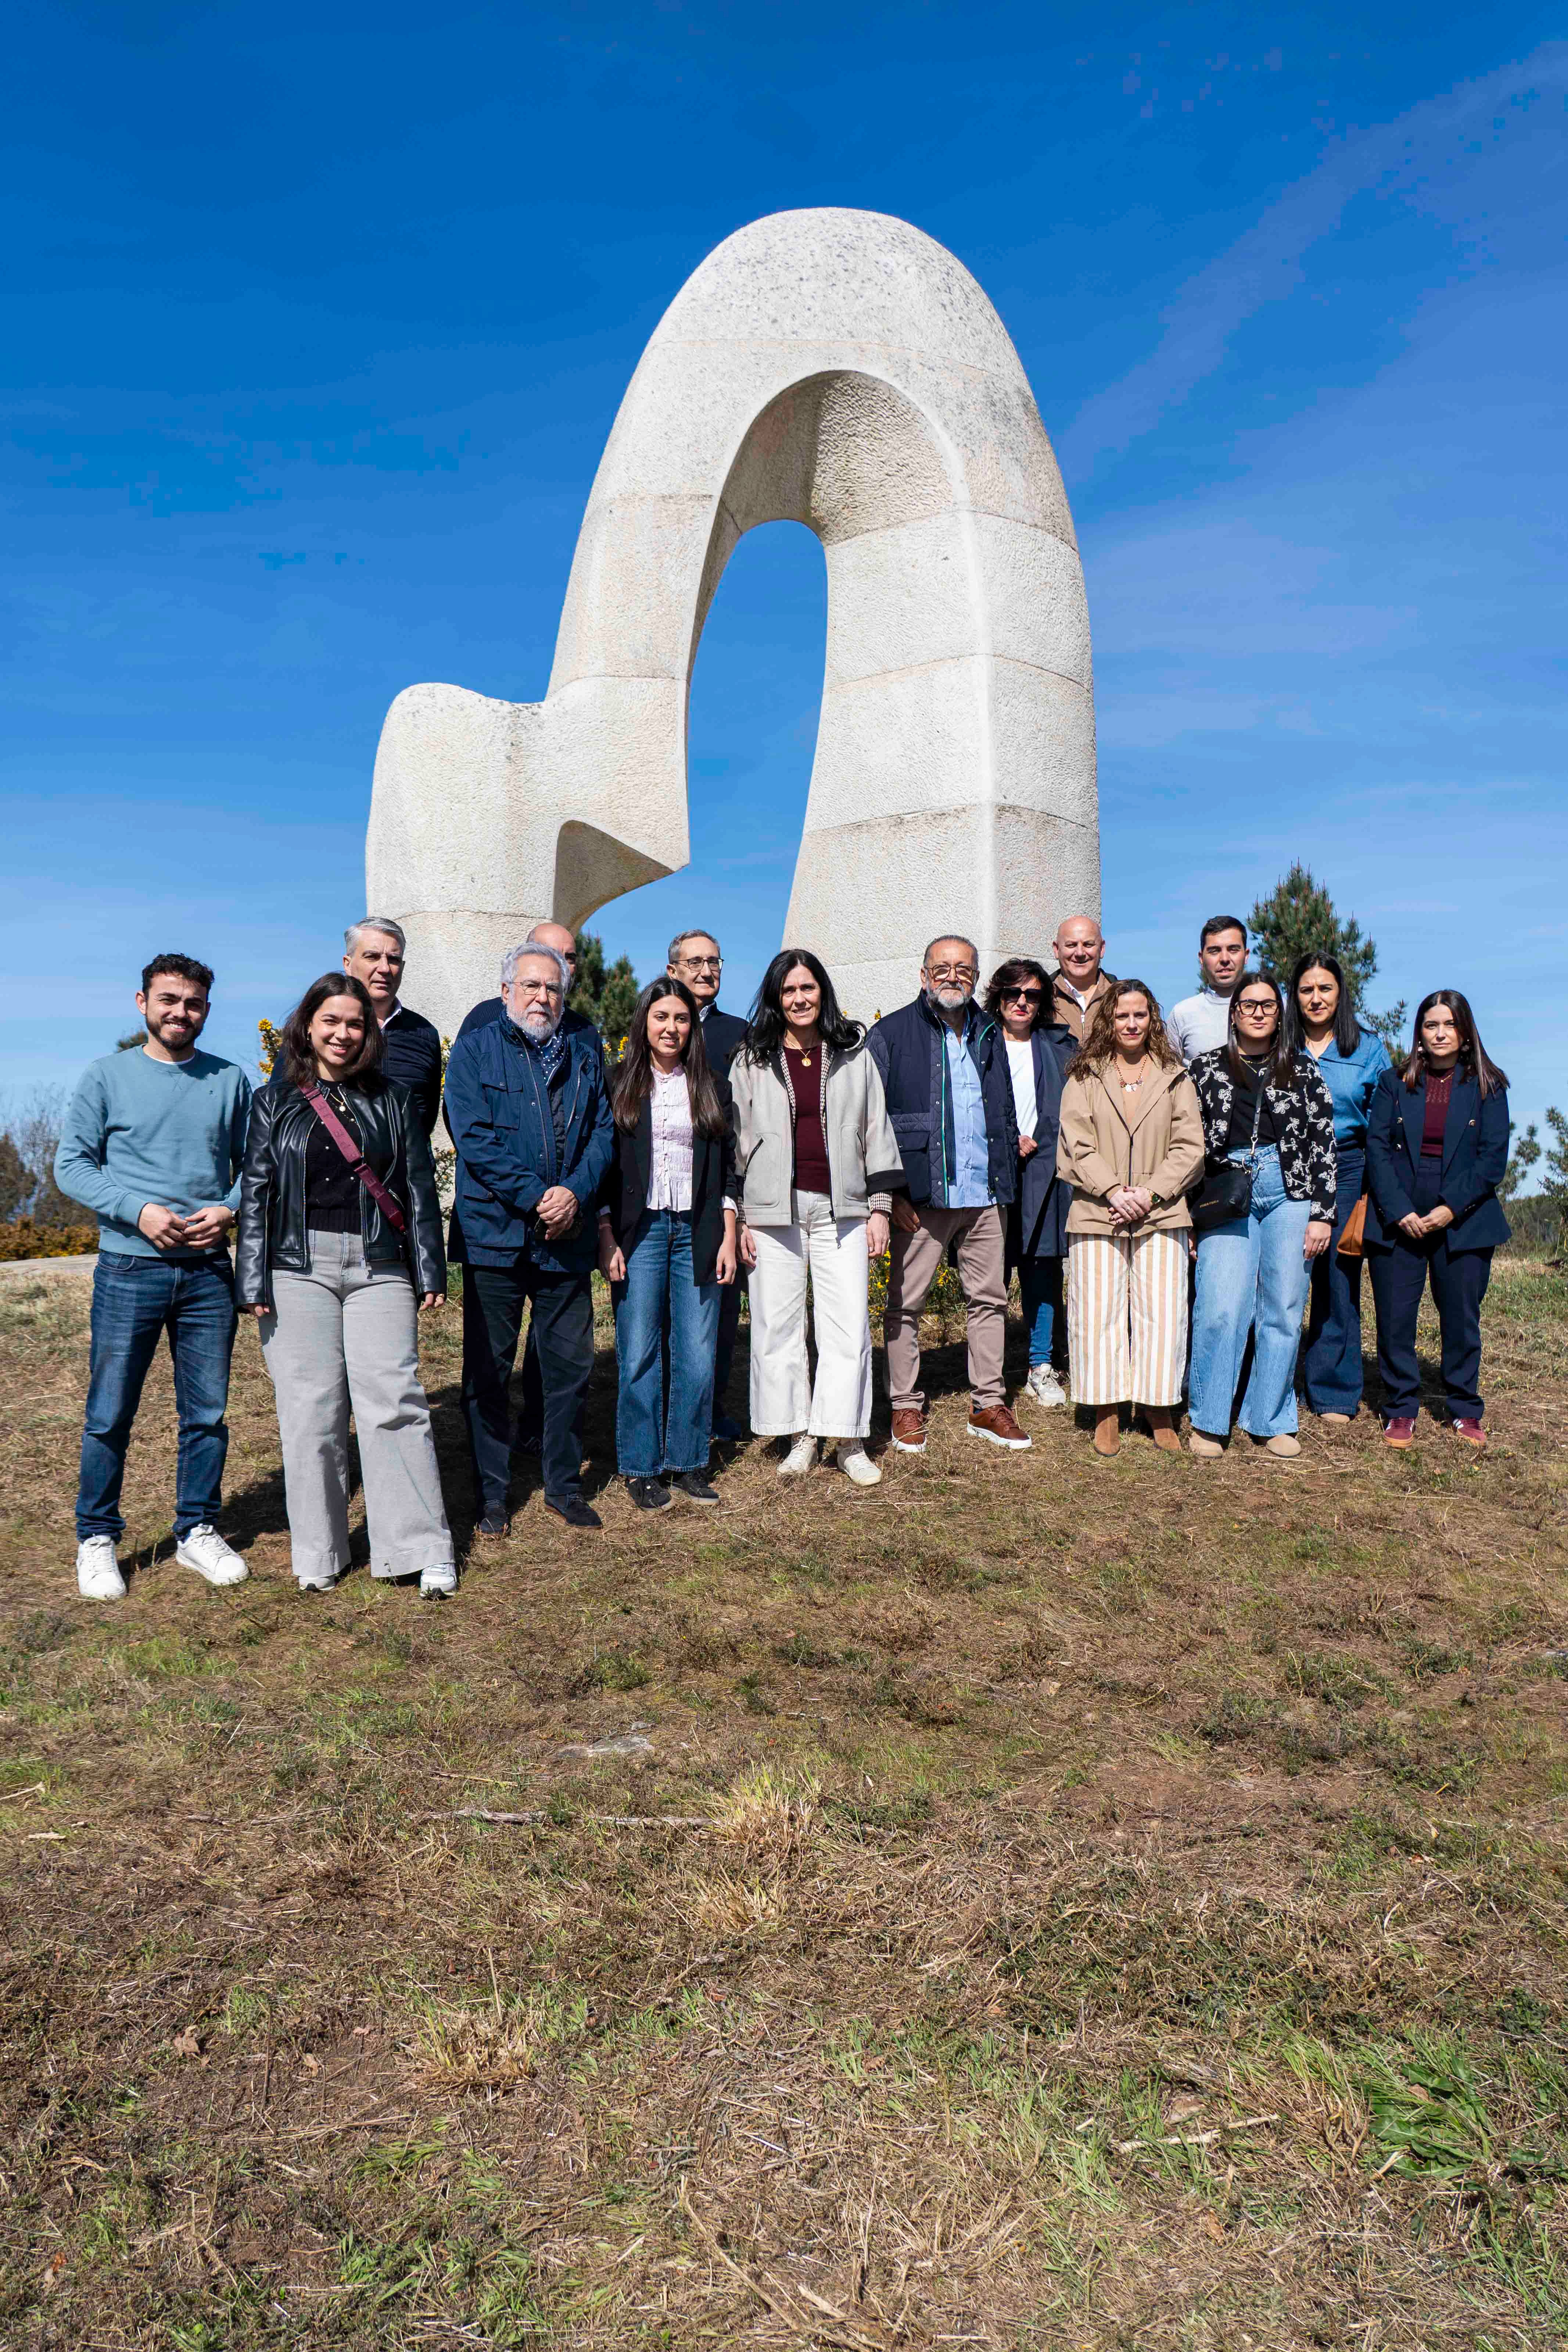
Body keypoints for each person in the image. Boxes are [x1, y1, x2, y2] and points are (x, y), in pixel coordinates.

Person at [237, 974, 454, 1594]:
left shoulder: (394, 1099)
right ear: (308, 1025)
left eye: (355, 1023)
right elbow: (256, 1194)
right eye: (330, 1021)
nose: (342, 1033)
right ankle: (319, 1555)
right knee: (311, 1412)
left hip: (379, 1266)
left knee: (396, 1403)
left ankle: (419, 1546)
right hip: (295, 1268)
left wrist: (430, 1266)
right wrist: (250, 1277)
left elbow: (416, 1186)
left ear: (368, 1033)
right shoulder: (272, 1102)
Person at [55, 955, 254, 1602]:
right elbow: (72, 1165)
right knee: (110, 1412)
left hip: (207, 1275)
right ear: (141, 1002)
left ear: (206, 1010)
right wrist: (137, 1210)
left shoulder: (231, 1081)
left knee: (207, 1413)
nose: (181, 1013)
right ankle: (97, 1538)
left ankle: (197, 1529)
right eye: (169, 1000)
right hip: (128, 1269)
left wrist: (227, 1209)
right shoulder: (106, 1077)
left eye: (194, 1003)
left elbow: (258, 1170)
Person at [444, 940, 614, 1531]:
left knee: (568, 1369)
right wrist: (536, 1197)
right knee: (489, 1371)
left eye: (553, 989)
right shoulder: (474, 1053)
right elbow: (475, 1140)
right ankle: (492, 1494)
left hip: (564, 1240)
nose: (542, 998)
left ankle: (562, 1485)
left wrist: (573, 1194)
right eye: (532, 986)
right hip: (495, 1238)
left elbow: (603, 1137)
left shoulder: (584, 1058)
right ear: (506, 993)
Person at [731, 950, 901, 1485]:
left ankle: (847, 1437)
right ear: (775, 999)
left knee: (847, 1324)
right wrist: (735, 1216)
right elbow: (735, 1143)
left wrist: (879, 1209)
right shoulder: (750, 1059)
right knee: (777, 1326)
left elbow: (876, 1130)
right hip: (769, 1211)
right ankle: (799, 1432)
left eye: (808, 988)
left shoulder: (853, 1052)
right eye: (788, 991)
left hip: (842, 1209)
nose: (800, 999)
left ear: (822, 992)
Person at [867, 936, 1030, 1453]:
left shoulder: (989, 1031)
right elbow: (869, 1124)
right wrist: (890, 1193)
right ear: (922, 975)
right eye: (941, 967)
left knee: (989, 1300)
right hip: (921, 1198)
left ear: (976, 977)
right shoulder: (891, 1033)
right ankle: (905, 1406)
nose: (951, 976)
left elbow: (1001, 1113)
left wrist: (1004, 1181)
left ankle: (987, 1404)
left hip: (982, 1194)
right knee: (904, 1304)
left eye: (963, 968)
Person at [598, 979, 738, 1510]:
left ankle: (686, 1461)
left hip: (697, 1230)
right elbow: (605, 1169)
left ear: (691, 1027)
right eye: (661, 1017)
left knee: (697, 1355)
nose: (671, 1028)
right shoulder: (618, 1084)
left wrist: (727, 1230)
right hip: (641, 1231)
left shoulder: (711, 1086)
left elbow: (728, 1167)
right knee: (638, 1352)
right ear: (643, 1023)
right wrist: (606, 1232)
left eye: (680, 1018)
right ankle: (639, 1466)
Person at [1187, 974, 1337, 1459]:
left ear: (1279, 1013)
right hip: (1225, 1188)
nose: (1256, 1012)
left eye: (1266, 1005)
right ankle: (1210, 1419)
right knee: (1221, 1305)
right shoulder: (1204, 1069)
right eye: (1247, 1004)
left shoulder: (1302, 1070)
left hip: (1289, 1190)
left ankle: (1269, 1417)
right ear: (1233, 1013)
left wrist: (1322, 1214)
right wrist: (1187, 1215)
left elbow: (1322, 1142)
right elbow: (1185, 1145)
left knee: (1283, 1307)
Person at [1056, 982, 1204, 1455]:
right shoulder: (1084, 1075)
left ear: (1152, 1020)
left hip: (1162, 1209)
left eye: (1140, 1015)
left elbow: (1190, 1147)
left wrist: (1150, 1192)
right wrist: (1114, 1191)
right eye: (1122, 1016)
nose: (1132, 1024)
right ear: (1109, 1021)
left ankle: (1158, 1407)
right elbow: (1076, 1144)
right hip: (1097, 1209)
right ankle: (1105, 1408)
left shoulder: (1174, 1076)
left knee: (1162, 1311)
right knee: (1097, 1310)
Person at [1364, 991, 1510, 1452]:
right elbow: (1377, 1148)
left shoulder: (1489, 1085)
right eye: (1431, 1025)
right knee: (1394, 1318)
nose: (1440, 1032)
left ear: (1465, 1034)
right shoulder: (1393, 1082)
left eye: (1449, 1024)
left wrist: (1450, 1208)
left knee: (1462, 1318)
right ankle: (1401, 1408)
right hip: (1399, 1210)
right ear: (1419, 1034)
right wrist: (1398, 1209)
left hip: (1464, 1214)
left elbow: (1491, 1161)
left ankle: (1465, 1408)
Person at [1284, 954, 1391, 1424]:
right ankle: (1271, 1380)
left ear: (1340, 993)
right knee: (1279, 1277)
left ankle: (1332, 1391)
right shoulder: (1279, 1045)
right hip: (1284, 1165)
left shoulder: (1366, 1049)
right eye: (1306, 989)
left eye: (1325, 988)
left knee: (1337, 1277)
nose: (1316, 998)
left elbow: (1386, 1120)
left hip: (1348, 1165)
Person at [667, 929, 748, 1438]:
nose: (705, 971)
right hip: (662, 1195)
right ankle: (664, 1410)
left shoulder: (739, 1034)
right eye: (694, 962)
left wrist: (737, 1205)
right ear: (672, 969)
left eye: (714, 962)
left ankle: (710, 1409)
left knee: (720, 1308)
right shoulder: (656, 1025)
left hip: (721, 1195)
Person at [983, 958, 1074, 1409]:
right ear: (997, 998)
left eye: (1032, 995)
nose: (1021, 1002)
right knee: (990, 1275)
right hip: (991, 1171)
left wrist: (1039, 1140)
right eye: (1012, 994)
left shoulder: (1060, 1047)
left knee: (1042, 1270)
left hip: (1045, 1169)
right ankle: (989, 1370)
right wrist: (1003, 1136)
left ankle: (1041, 1365)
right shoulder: (976, 1043)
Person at [341, 918, 444, 1137]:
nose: (385, 968)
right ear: (348, 964)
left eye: (394, 959)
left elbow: (427, 1117)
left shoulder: (424, 1034)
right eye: (372, 957)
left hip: (409, 1169)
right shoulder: (320, 1029)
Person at [1168, 917, 1250, 1065]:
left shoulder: (1274, 1008)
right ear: (1201, 958)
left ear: (1246, 956)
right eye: (1214, 951)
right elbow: (1169, 1075)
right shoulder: (1182, 1014)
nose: (1225, 959)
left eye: (1233, 950)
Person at [1047, 917, 1117, 1043]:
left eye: (1088, 945)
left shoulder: (1120, 996)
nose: (1080, 953)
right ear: (1057, 950)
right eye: (1071, 945)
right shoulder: (1040, 998)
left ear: (1102, 949)